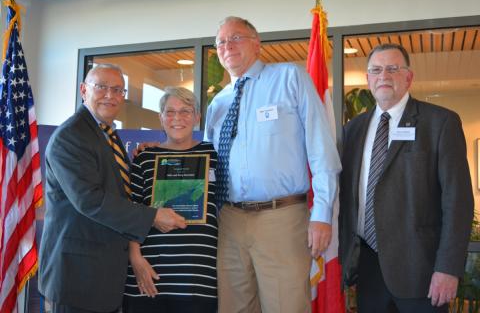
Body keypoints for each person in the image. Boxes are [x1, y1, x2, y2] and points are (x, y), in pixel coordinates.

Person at [204, 16, 341, 313]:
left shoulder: (290, 78)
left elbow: (322, 149)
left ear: (257, 43)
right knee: (233, 308)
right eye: (221, 42)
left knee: (286, 307)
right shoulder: (217, 104)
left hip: (281, 218)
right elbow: (207, 166)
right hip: (228, 220)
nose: (228, 46)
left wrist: (323, 214)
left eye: (236, 37)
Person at [38, 64, 186, 313]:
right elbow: (90, 200)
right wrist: (153, 216)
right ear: (84, 90)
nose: (111, 95)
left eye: (118, 89)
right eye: (102, 87)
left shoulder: (107, 134)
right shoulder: (71, 136)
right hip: (77, 279)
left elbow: (117, 190)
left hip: (102, 278)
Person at [339, 43, 474, 312]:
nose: (383, 76)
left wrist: (448, 268)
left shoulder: (440, 123)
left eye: (393, 68)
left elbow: (458, 202)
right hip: (367, 269)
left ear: (408, 77)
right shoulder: (352, 130)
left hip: (422, 272)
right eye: (376, 70)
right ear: (368, 79)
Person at [122, 87, 218, 313]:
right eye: (170, 112)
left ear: (197, 118)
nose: (177, 118)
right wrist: (135, 258)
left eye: (185, 111)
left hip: (200, 276)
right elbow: (131, 209)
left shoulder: (214, 154)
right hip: (150, 272)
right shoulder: (144, 157)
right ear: (161, 118)